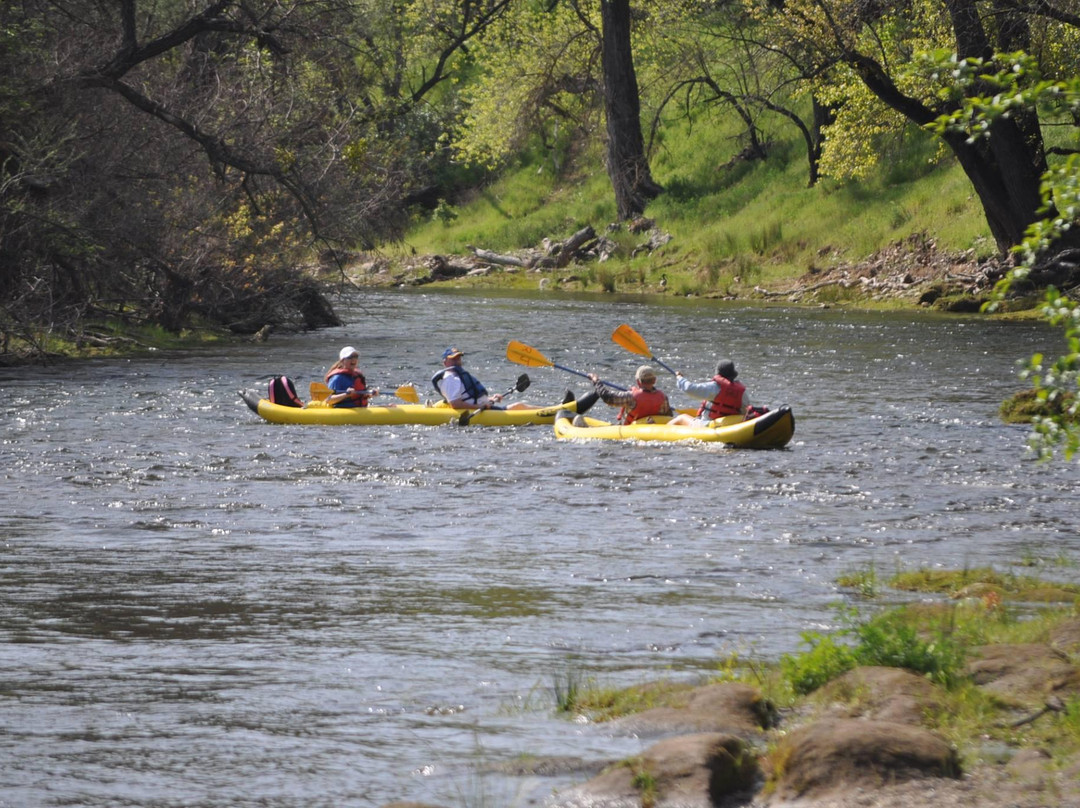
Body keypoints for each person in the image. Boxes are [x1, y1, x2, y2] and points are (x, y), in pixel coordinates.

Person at [432, 347, 529, 410]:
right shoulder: (450, 379)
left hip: (482, 408)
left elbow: (467, 397)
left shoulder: (458, 376)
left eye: (458, 358)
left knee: (519, 406)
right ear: (445, 363)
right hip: (477, 411)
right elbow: (455, 404)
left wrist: (491, 399)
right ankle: (544, 414)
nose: (457, 361)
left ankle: (544, 411)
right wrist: (479, 406)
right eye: (453, 359)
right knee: (518, 406)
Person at [667, 359, 749, 426]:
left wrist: (680, 378)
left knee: (682, 417)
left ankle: (664, 432)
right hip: (729, 424)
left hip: (708, 425)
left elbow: (689, 389)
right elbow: (746, 410)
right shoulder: (742, 392)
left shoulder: (715, 387)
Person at [585, 365, 672, 425]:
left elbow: (607, 397)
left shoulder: (631, 397)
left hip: (630, 430)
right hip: (652, 430)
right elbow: (668, 417)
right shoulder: (663, 397)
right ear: (654, 381)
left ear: (638, 381)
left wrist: (596, 380)